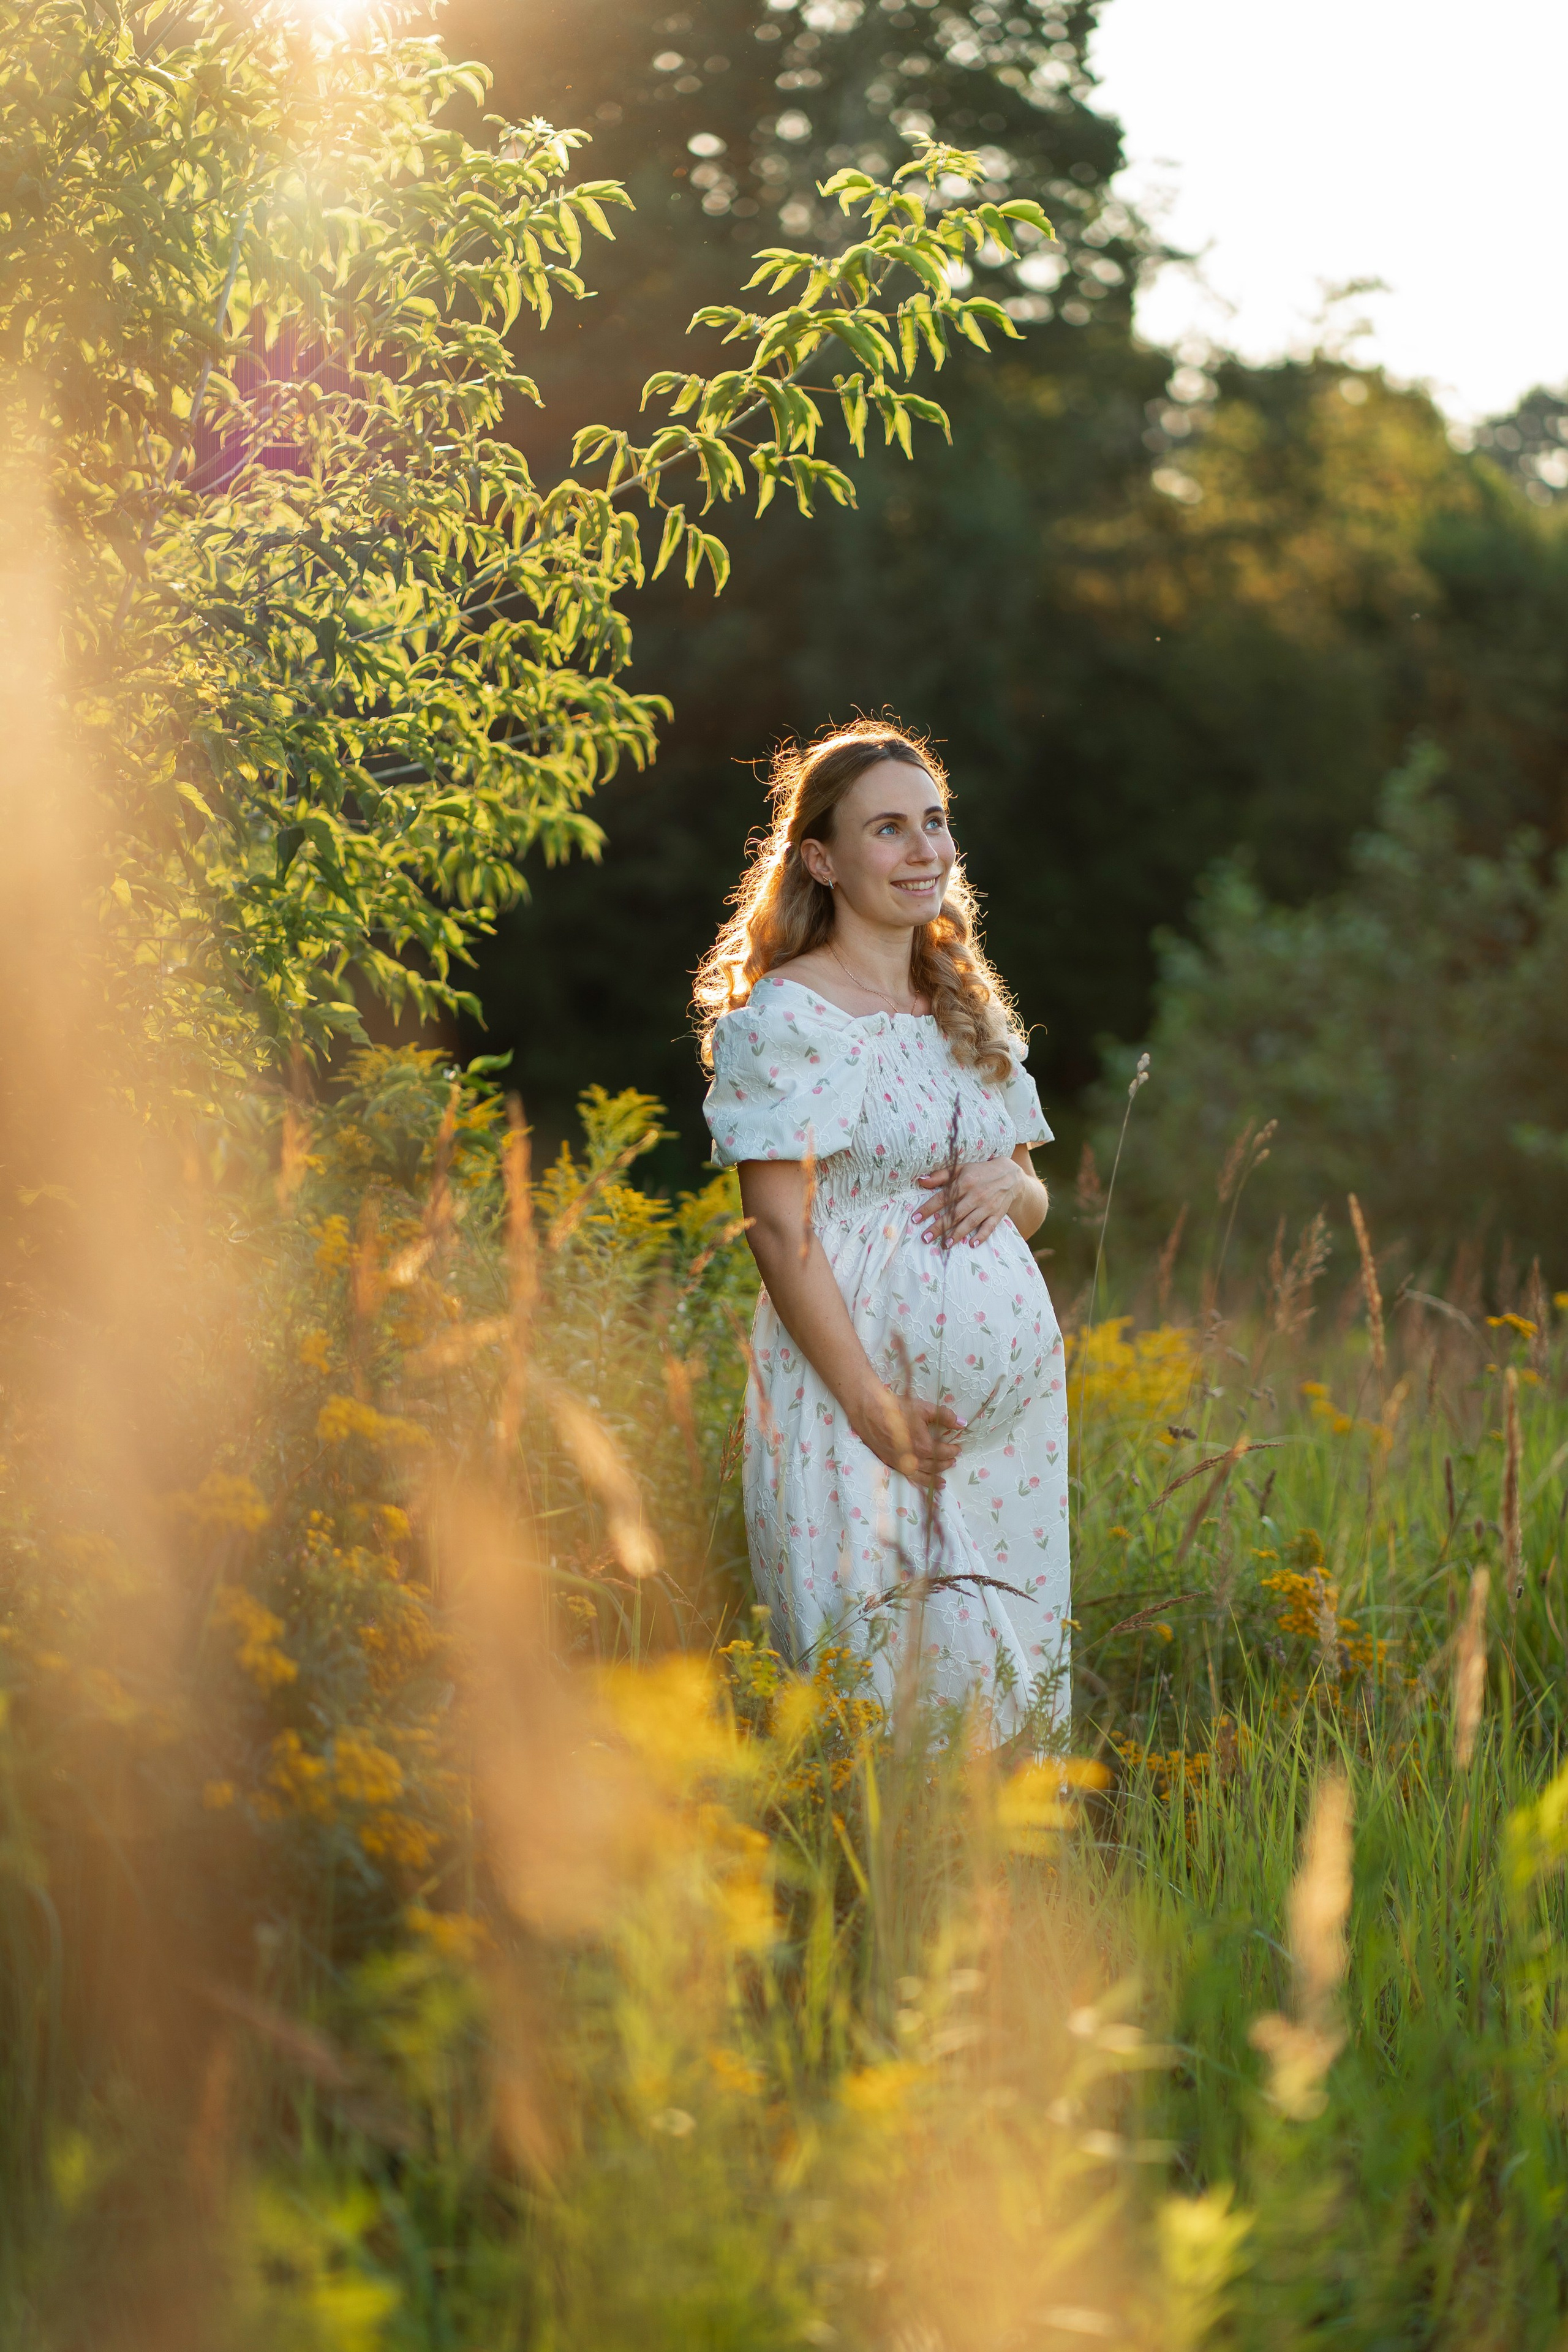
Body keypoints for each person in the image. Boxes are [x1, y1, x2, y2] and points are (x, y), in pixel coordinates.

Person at [695, 720, 1069, 1736]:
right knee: (883, 1705)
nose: (925, 852)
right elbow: (779, 1232)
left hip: (1004, 1443)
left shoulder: (963, 1004)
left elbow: (1035, 1203)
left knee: (1009, 1711)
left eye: (936, 824)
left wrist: (1005, 1182)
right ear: (821, 858)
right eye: (890, 830)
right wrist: (871, 1405)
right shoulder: (788, 1018)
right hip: (858, 1413)